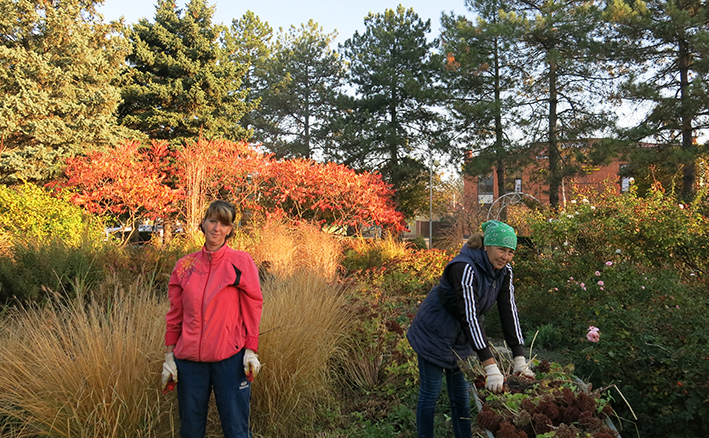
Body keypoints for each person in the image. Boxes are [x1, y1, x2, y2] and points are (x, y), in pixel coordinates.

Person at [406, 220, 534, 438]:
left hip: (462, 336)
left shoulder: (505, 271)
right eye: (501, 249)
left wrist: (519, 357)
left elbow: (508, 311)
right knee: (431, 394)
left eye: (510, 252)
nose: (505, 256)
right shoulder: (464, 267)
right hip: (434, 331)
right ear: (487, 246)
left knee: (461, 396)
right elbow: (470, 315)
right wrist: (490, 366)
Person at [161, 200, 264, 438]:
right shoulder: (185, 266)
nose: (217, 228)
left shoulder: (240, 262)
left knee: (236, 429)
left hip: (229, 359)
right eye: (212, 221)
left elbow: (253, 306)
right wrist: (169, 356)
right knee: (191, 430)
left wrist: (251, 349)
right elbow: (175, 314)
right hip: (189, 363)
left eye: (224, 224)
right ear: (204, 224)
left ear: (230, 230)